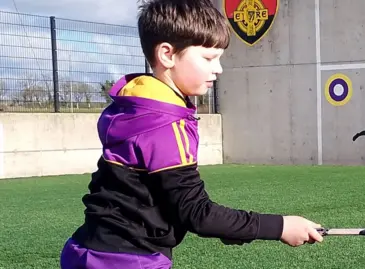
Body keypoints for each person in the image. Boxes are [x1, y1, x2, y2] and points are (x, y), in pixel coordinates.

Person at [59, 0, 323, 268]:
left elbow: (163, 201)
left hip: (83, 249)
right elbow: (197, 213)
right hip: (129, 260)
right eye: (209, 58)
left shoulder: (136, 108)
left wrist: (235, 230)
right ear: (167, 55)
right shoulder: (166, 125)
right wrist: (280, 226)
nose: (218, 68)